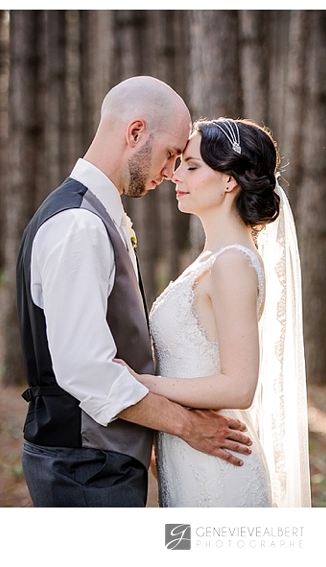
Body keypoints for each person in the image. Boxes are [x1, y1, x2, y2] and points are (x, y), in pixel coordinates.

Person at [16, 76, 253, 507]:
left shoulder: (95, 216)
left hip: (100, 460)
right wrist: (185, 426)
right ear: (136, 132)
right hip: (85, 466)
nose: (171, 171)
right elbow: (87, 371)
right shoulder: (80, 225)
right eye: (171, 154)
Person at [121, 118, 311, 507]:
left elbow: (239, 387)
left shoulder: (232, 263)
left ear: (228, 180)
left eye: (191, 166)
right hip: (190, 454)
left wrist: (141, 384)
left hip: (220, 471)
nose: (175, 175)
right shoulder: (212, 259)